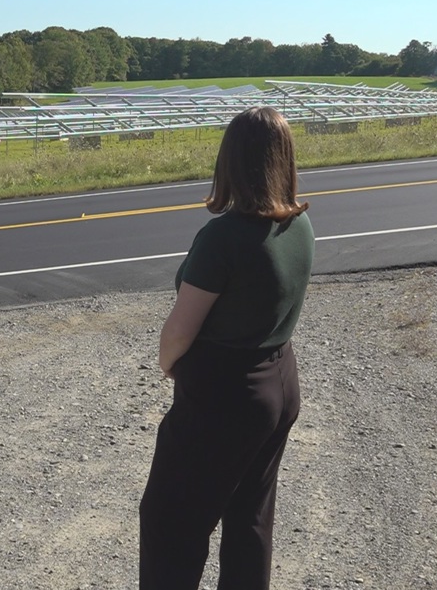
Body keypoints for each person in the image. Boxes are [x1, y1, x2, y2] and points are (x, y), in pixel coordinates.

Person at [139, 106, 314, 590]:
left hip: (224, 395)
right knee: (249, 518)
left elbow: (180, 330)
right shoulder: (298, 225)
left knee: (171, 522)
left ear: (230, 162)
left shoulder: (225, 236)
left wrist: (170, 366)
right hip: (279, 380)